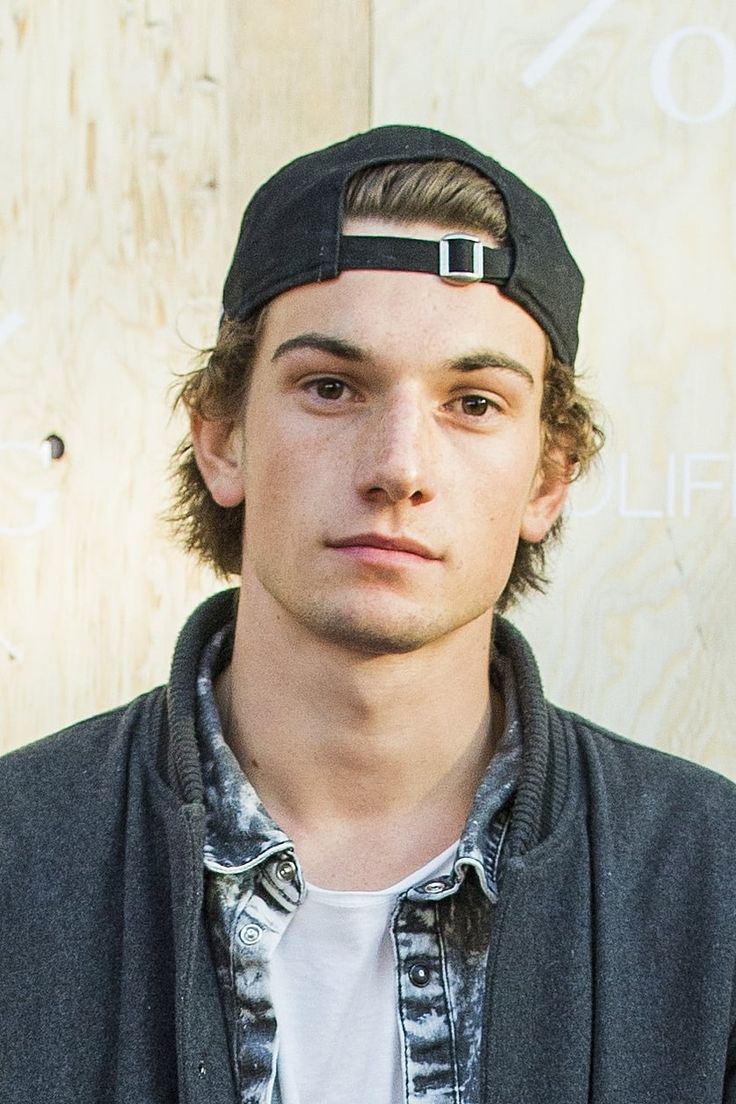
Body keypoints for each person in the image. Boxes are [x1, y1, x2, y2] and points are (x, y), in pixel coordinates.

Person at [1, 125, 735, 1104]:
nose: (398, 465)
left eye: (472, 403)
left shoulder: (708, 886)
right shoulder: (21, 859)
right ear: (222, 439)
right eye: (331, 387)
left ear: (547, 478)